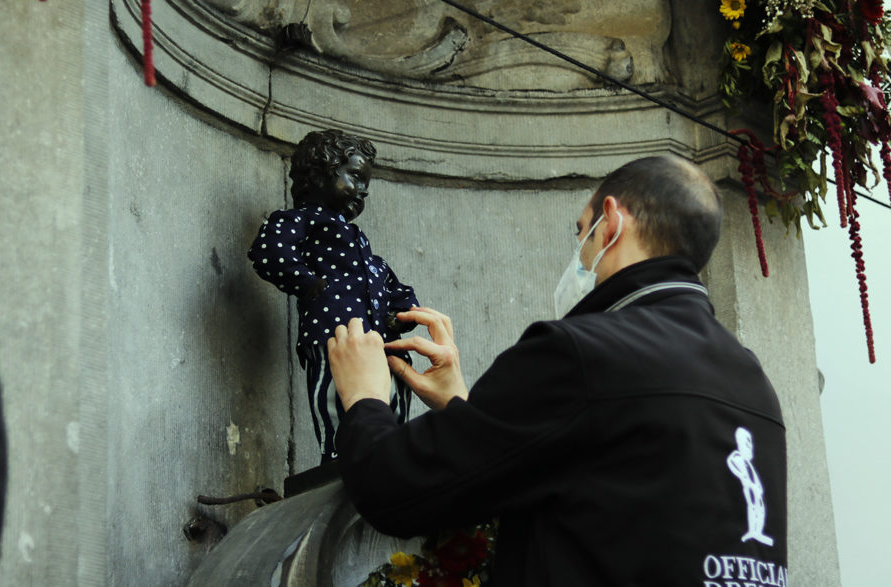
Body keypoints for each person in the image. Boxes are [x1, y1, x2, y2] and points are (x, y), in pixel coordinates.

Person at [327, 156, 788, 586]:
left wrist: (365, 396)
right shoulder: (752, 380)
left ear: (610, 222)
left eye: (580, 231)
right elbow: (615, 493)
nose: (579, 256)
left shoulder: (580, 354)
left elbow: (395, 489)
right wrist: (462, 408)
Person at [248, 129, 419, 461]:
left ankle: (394, 460)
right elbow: (270, 250)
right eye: (355, 176)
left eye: (365, 182)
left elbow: (393, 285)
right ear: (320, 171)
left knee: (394, 404)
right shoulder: (301, 221)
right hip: (334, 337)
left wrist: (401, 313)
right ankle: (340, 459)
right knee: (336, 399)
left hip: (381, 346)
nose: (363, 190)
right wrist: (309, 283)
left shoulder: (365, 253)